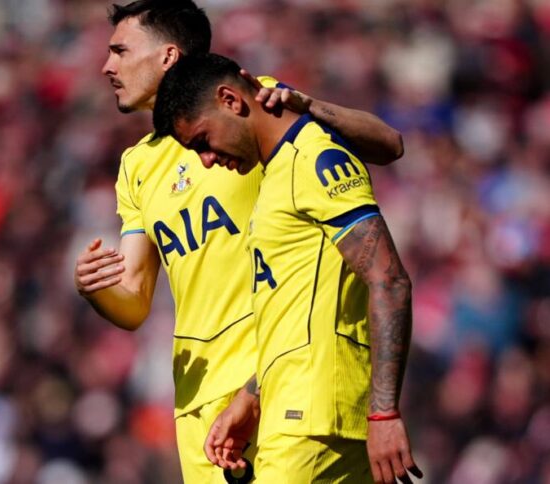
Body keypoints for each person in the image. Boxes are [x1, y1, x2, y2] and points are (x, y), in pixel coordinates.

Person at [74, 1, 404, 481]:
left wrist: (306, 104)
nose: (107, 66)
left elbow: (387, 145)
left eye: (120, 50)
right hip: (198, 399)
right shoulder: (137, 167)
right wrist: (97, 290)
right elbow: (135, 302)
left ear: (167, 55)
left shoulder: (252, 103)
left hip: (273, 381)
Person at [151, 52, 423, 484]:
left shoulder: (310, 159)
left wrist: (385, 411)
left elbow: (389, 279)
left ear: (230, 100)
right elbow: (297, 311)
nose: (206, 159)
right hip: (301, 412)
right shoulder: (276, 175)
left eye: (203, 140)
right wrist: (252, 394)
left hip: (310, 421)